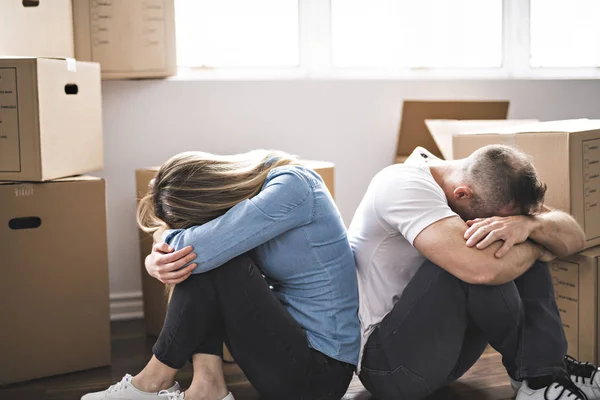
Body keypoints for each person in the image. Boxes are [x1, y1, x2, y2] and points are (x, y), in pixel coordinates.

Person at [82, 150, 360, 400]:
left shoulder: (291, 188)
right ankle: (206, 388)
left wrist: (156, 255)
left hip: (320, 375)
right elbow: (199, 247)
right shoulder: (261, 179)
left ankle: (154, 381)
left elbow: (195, 248)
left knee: (212, 259)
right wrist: (154, 258)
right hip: (294, 355)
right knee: (210, 258)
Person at [349, 145, 598, 400]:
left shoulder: (488, 182)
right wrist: (535, 244)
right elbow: (482, 271)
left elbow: (575, 237)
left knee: (515, 240)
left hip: (447, 354)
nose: (504, 224)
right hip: (389, 367)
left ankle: (547, 372)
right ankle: (539, 379)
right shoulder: (401, 185)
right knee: (479, 258)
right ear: (462, 194)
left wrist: (528, 225)